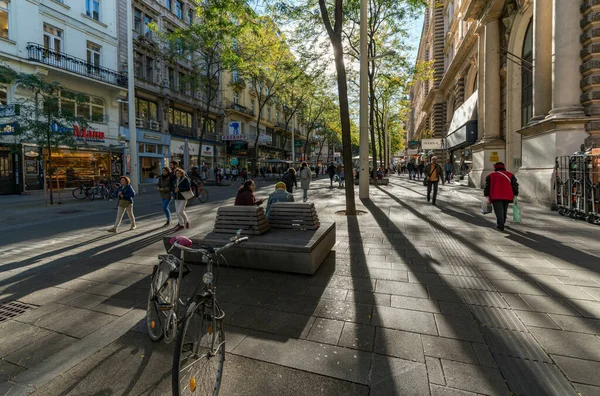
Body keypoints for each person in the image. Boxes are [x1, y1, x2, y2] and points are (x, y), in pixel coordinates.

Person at [484, 162, 519, 231]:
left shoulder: (491, 176)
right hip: (507, 195)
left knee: (498, 211)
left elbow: (487, 186)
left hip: (495, 195)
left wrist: (486, 194)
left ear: (495, 168)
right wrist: (515, 193)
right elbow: (515, 185)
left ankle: (500, 225)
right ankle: (502, 222)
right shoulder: (510, 175)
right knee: (504, 210)